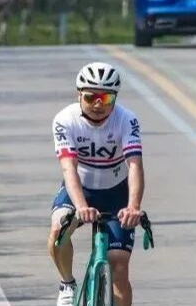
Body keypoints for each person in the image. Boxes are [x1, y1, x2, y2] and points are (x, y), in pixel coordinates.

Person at [48, 62, 144, 306]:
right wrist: (81, 206)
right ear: (79, 95)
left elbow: (134, 165)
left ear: (115, 99)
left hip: (116, 194)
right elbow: (68, 168)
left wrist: (133, 207)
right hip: (79, 190)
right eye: (91, 97)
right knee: (58, 230)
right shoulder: (65, 120)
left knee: (119, 267)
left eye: (106, 98)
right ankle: (67, 283)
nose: (98, 105)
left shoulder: (127, 120)